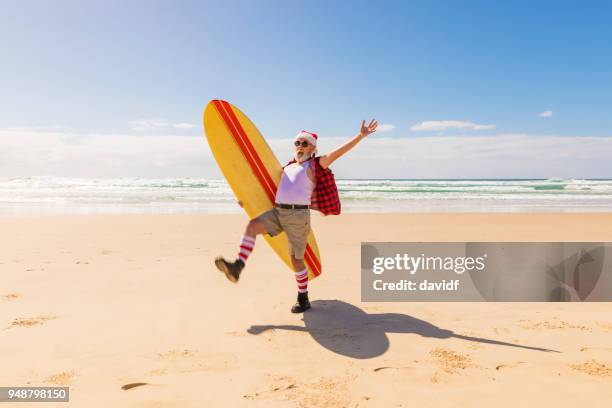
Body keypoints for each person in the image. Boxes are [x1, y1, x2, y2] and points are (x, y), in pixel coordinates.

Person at [215, 119, 378, 313]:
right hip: (278, 211)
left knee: (296, 259)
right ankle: (238, 267)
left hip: (298, 216)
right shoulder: (287, 168)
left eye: (304, 143)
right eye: (297, 143)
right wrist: (247, 200)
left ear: (312, 148)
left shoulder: (315, 165)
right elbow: (266, 189)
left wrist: (360, 136)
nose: (300, 147)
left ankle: (303, 297)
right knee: (252, 227)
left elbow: (339, 153)